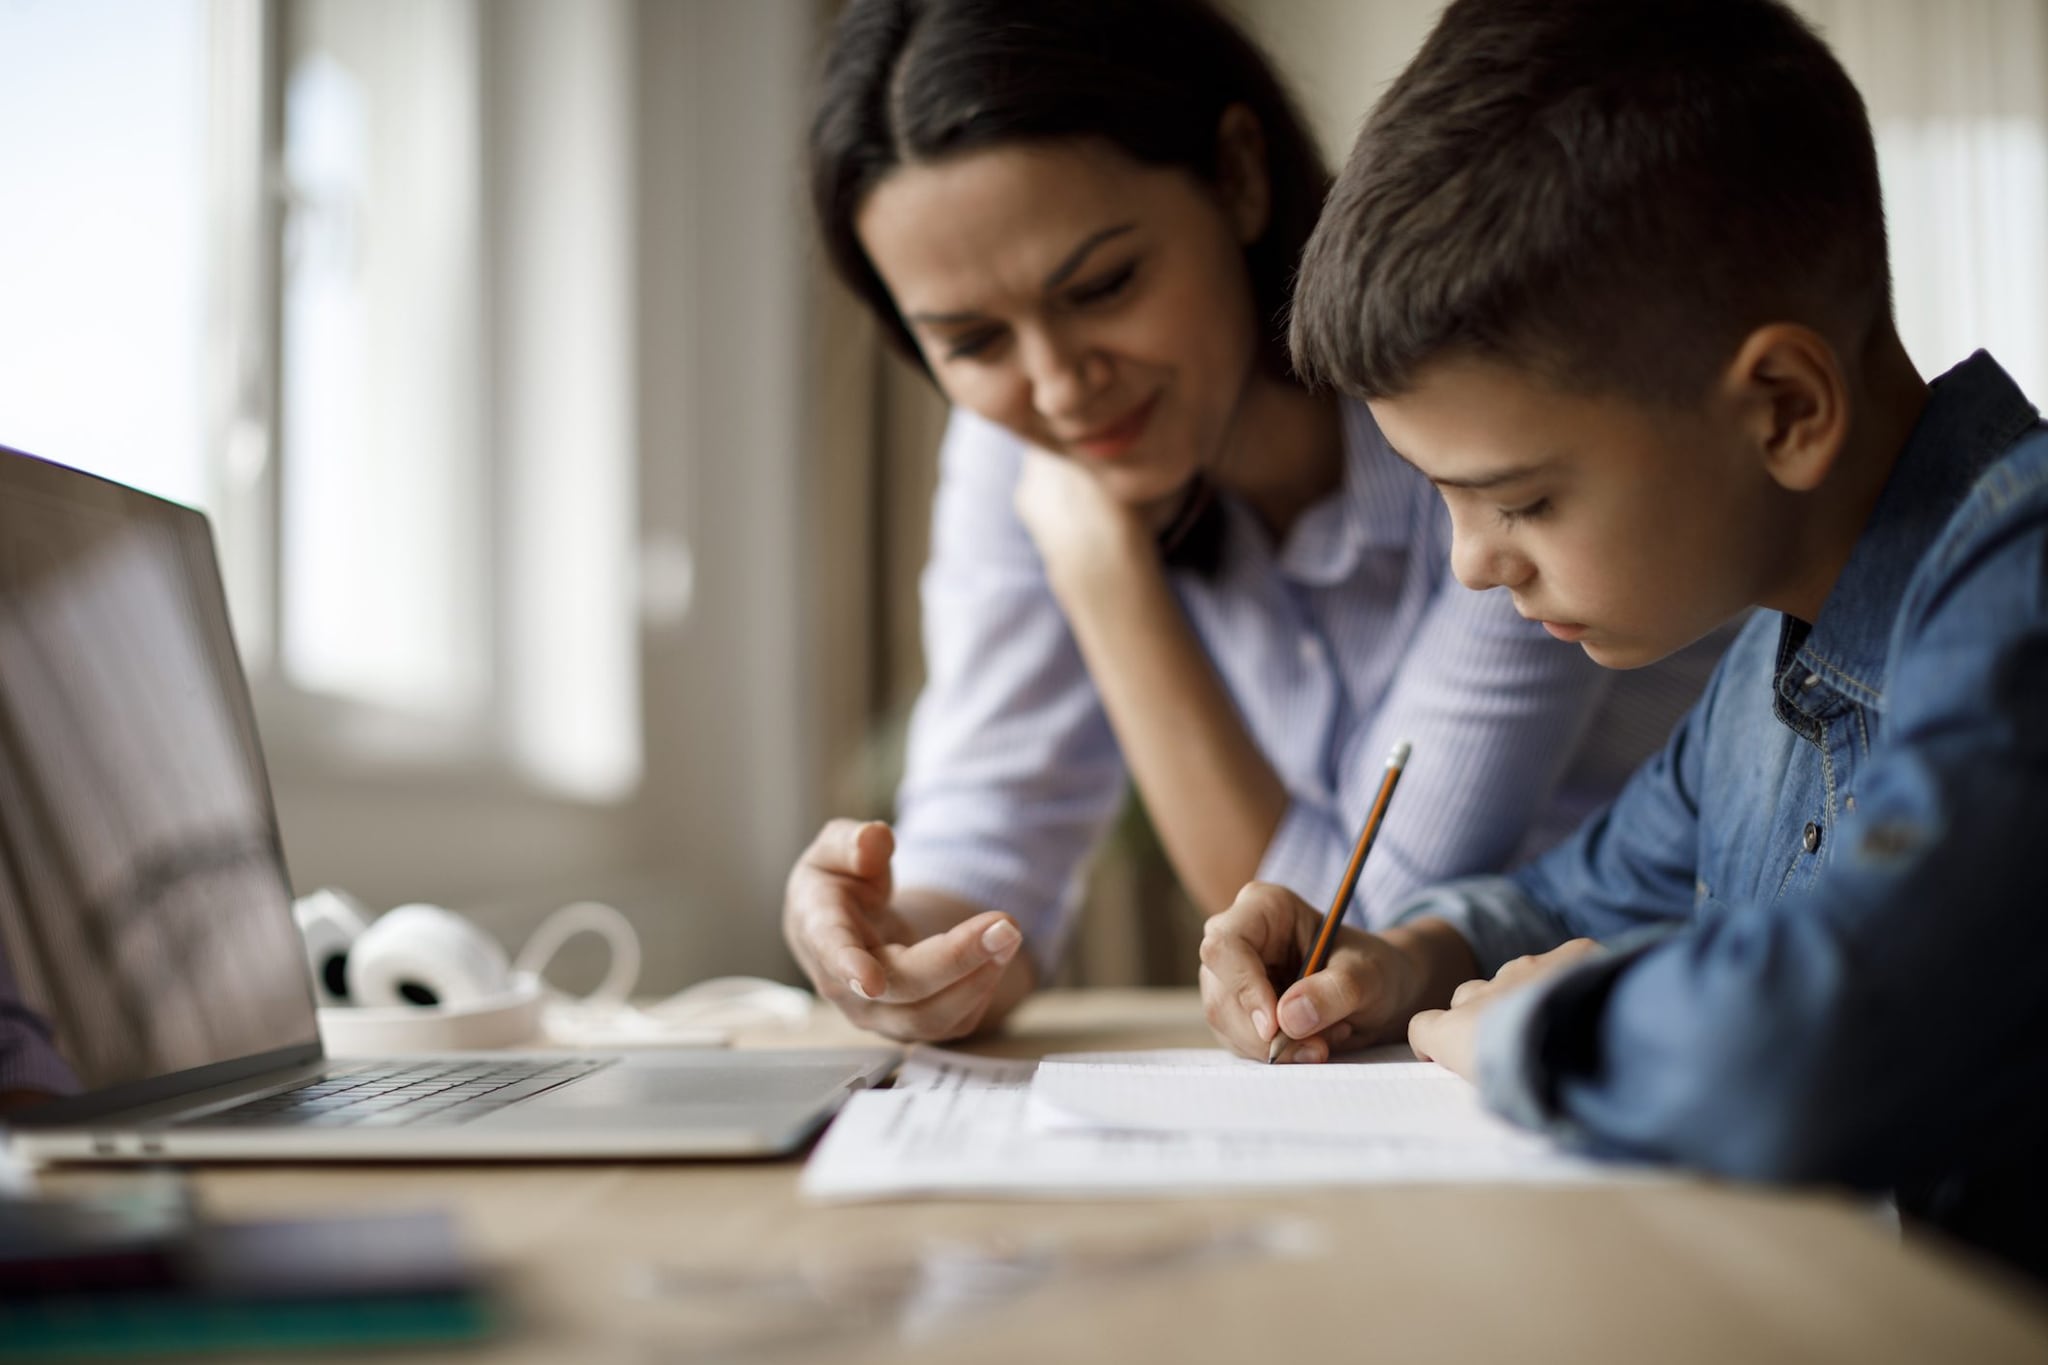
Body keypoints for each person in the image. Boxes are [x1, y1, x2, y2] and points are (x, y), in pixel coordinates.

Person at [1199, 0, 2048, 1279]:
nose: (1470, 567)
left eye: (1521, 499)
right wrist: (1402, 956)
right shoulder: (1760, 677)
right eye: (1439, 495)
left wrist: (1536, 1036)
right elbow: (1564, 896)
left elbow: (1821, 1047)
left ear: (1781, 408)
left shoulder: (2018, 584)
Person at [790, 0, 1728, 1045]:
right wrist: (890, 946)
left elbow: (1348, 936)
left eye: (1102, 285)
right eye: (969, 341)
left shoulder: (1482, 418)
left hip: (1650, 1015)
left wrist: (1103, 575)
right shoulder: (1022, 445)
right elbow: (987, 843)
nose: (1057, 388)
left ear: (1237, 174)